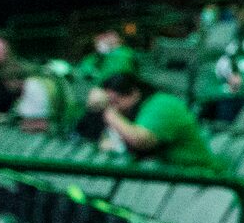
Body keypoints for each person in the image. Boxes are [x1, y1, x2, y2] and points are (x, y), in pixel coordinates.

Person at [94, 71, 222, 177]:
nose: (115, 109)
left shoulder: (161, 105)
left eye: (114, 102)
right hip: (172, 177)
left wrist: (108, 112)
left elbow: (141, 141)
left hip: (199, 179)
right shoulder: (133, 113)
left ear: (134, 93)